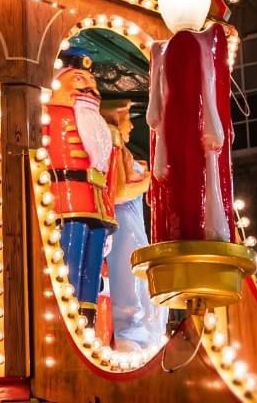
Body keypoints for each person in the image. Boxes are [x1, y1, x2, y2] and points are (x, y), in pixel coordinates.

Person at [45, 51, 123, 324]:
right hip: (67, 198)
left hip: (97, 202)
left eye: (92, 81)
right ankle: (67, 315)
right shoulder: (50, 115)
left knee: (93, 264)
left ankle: (88, 317)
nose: (90, 87)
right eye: (79, 79)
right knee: (70, 258)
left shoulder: (98, 125)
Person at [100, 101, 167, 351]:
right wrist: (149, 181)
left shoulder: (123, 152)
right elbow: (115, 192)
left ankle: (140, 328)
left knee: (139, 272)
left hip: (133, 221)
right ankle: (128, 326)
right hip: (122, 222)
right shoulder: (112, 147)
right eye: (127, 117)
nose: (130, 125)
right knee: (127, 272)